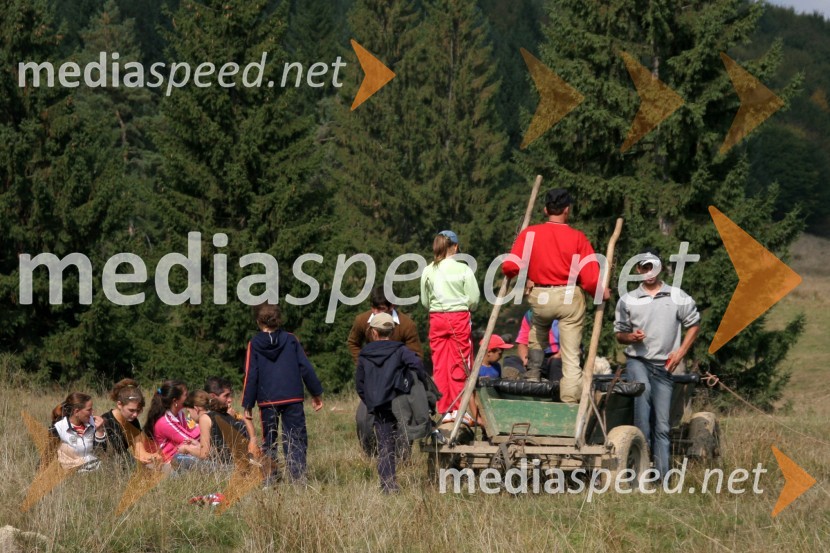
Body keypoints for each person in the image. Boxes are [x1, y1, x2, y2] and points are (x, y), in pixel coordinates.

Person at [502, 188, 608, 402]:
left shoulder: (529, 234)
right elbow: (590, 278)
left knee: (538, 330)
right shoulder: (578, 238)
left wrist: (522, 273)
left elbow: (509, 265)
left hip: (541, 295)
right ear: (567, 210)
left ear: (545, 209)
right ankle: (570, 400)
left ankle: (533, 373)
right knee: (570, 356)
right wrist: (602, 293)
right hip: (569, 297)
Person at [614, 248, 701, 479]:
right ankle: (641, 471)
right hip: (638, 361)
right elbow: (620, 334)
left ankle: (662, 477)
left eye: (652, 266)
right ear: (637, 270)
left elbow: (694, 323)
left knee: (662, 425)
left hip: (665, 365)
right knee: (643, 407)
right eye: (644, 267)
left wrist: (680, 353)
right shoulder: (627, 299)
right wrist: (631, 337)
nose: (648, 271)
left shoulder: (677, 296)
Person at [242, 303, 324, 482]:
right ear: (278, 319)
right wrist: (316, 393)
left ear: (258, 321)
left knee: (269, 438)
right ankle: (298, 478)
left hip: (267, 400)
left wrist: (247, 404)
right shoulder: (291, 339)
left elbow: (251, 374)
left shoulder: (254, 343)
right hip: (292, 396)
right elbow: (305, 367)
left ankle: (271, 478)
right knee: (296, 437)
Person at [355, 312, 426, 493]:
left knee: (385, 443)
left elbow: (359, 384)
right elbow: (416, 365)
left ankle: (388, 484)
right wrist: (413, 382)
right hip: (398, 401)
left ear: (373, 332)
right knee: (403, 436)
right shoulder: (400, 350)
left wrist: (369, 400)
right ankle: (405, 468)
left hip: (379, 405)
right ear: (392, 332)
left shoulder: (364, 354)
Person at [420, 230, 479, 422]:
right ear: (454, 247)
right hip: (459, 318)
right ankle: (460, 410)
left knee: (440, 364)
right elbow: (474, 299)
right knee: (461, 362)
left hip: (437, 318)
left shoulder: (428, 270)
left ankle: (444, 410)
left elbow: (424, 301)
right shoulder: (463, 269)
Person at [347, 285, 423, 364]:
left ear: (391, 306)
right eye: (373, 307)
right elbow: (353, 343)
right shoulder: (361, 320)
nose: (375, 312)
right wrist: (363, 364)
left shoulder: (407, 325)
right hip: (372, 369)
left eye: (381, 308)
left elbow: (415, 356)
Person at [143, 381, 202, 469]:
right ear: (175, 401)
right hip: (166, 464)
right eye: (186, 395)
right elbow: (190, 439)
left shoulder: (179, 414)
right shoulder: (164, 421)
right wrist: (206, 421)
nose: (188, 397)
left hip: (178, 459)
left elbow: (188, 436)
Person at [101, 379, 160, 465]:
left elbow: (140, 452)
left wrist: (154, 456)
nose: (135, 414)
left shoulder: (133, 421)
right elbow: (112, 457)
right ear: (119, 404)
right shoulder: (106, 422)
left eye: (138, 410)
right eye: (131, 410)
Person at [50, 392, 107, 471]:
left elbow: (101, 453)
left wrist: (100, 430)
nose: (92, 413)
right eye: (89, 410)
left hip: (97, 474)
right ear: (76, 412)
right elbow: (48, 455)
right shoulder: (59, 428)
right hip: (73, 476)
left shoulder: (94, 423)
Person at [204, 376, 259, 457]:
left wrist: (253, 440)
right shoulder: (205, 416)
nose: (230, 400)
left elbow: (246, 419)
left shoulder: (229, 412)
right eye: (226, 396)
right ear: (212, 396)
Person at [508, 309, 562, 381]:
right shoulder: (530, 314)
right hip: (536, 356)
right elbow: (522, 342)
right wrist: (525, 360)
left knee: (555, 363)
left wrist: (558, 355)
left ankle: (556, 389)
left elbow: (572, 342)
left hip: (559, 355)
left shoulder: (564, 313)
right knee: (510, 360)